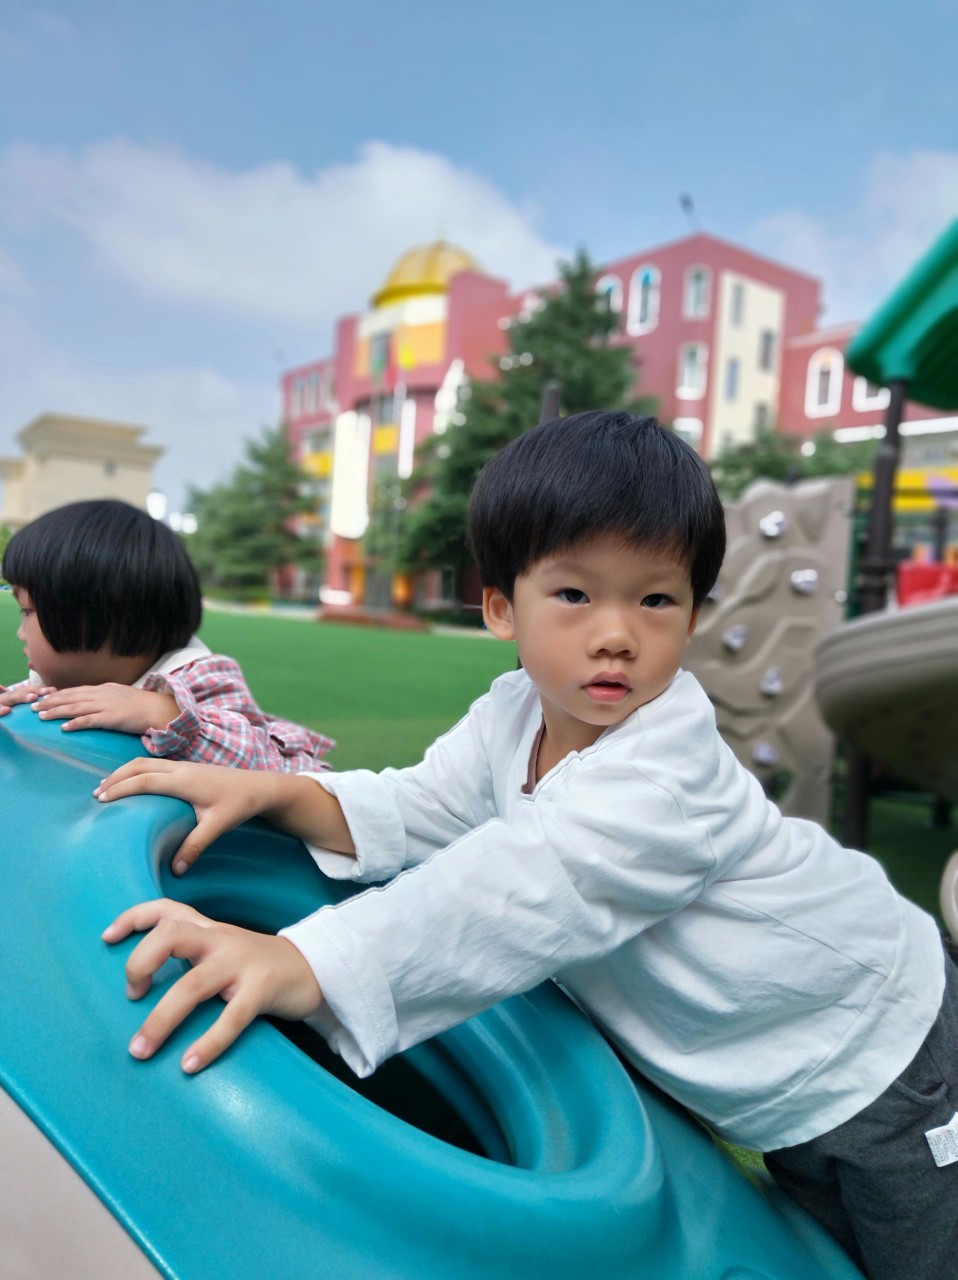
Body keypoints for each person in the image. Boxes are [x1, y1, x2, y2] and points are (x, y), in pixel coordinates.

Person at [95, 415, 956, 1280]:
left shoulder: (665, 774)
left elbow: (518, 890)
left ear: (694, 616)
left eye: (656, 600)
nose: (616, 633)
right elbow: (423, 806)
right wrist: (284, 793)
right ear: (502, 605)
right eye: (576, 595)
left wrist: (305, 962)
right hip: (786, 1084)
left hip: (887, 1049)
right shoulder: (513, 715)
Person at [1, 499, 334, 771]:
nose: (20, 632)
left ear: (111, 616)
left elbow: (272, 772)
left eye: (28, 611)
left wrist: (167, 716)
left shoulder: (200, 679)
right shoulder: (60, 679)